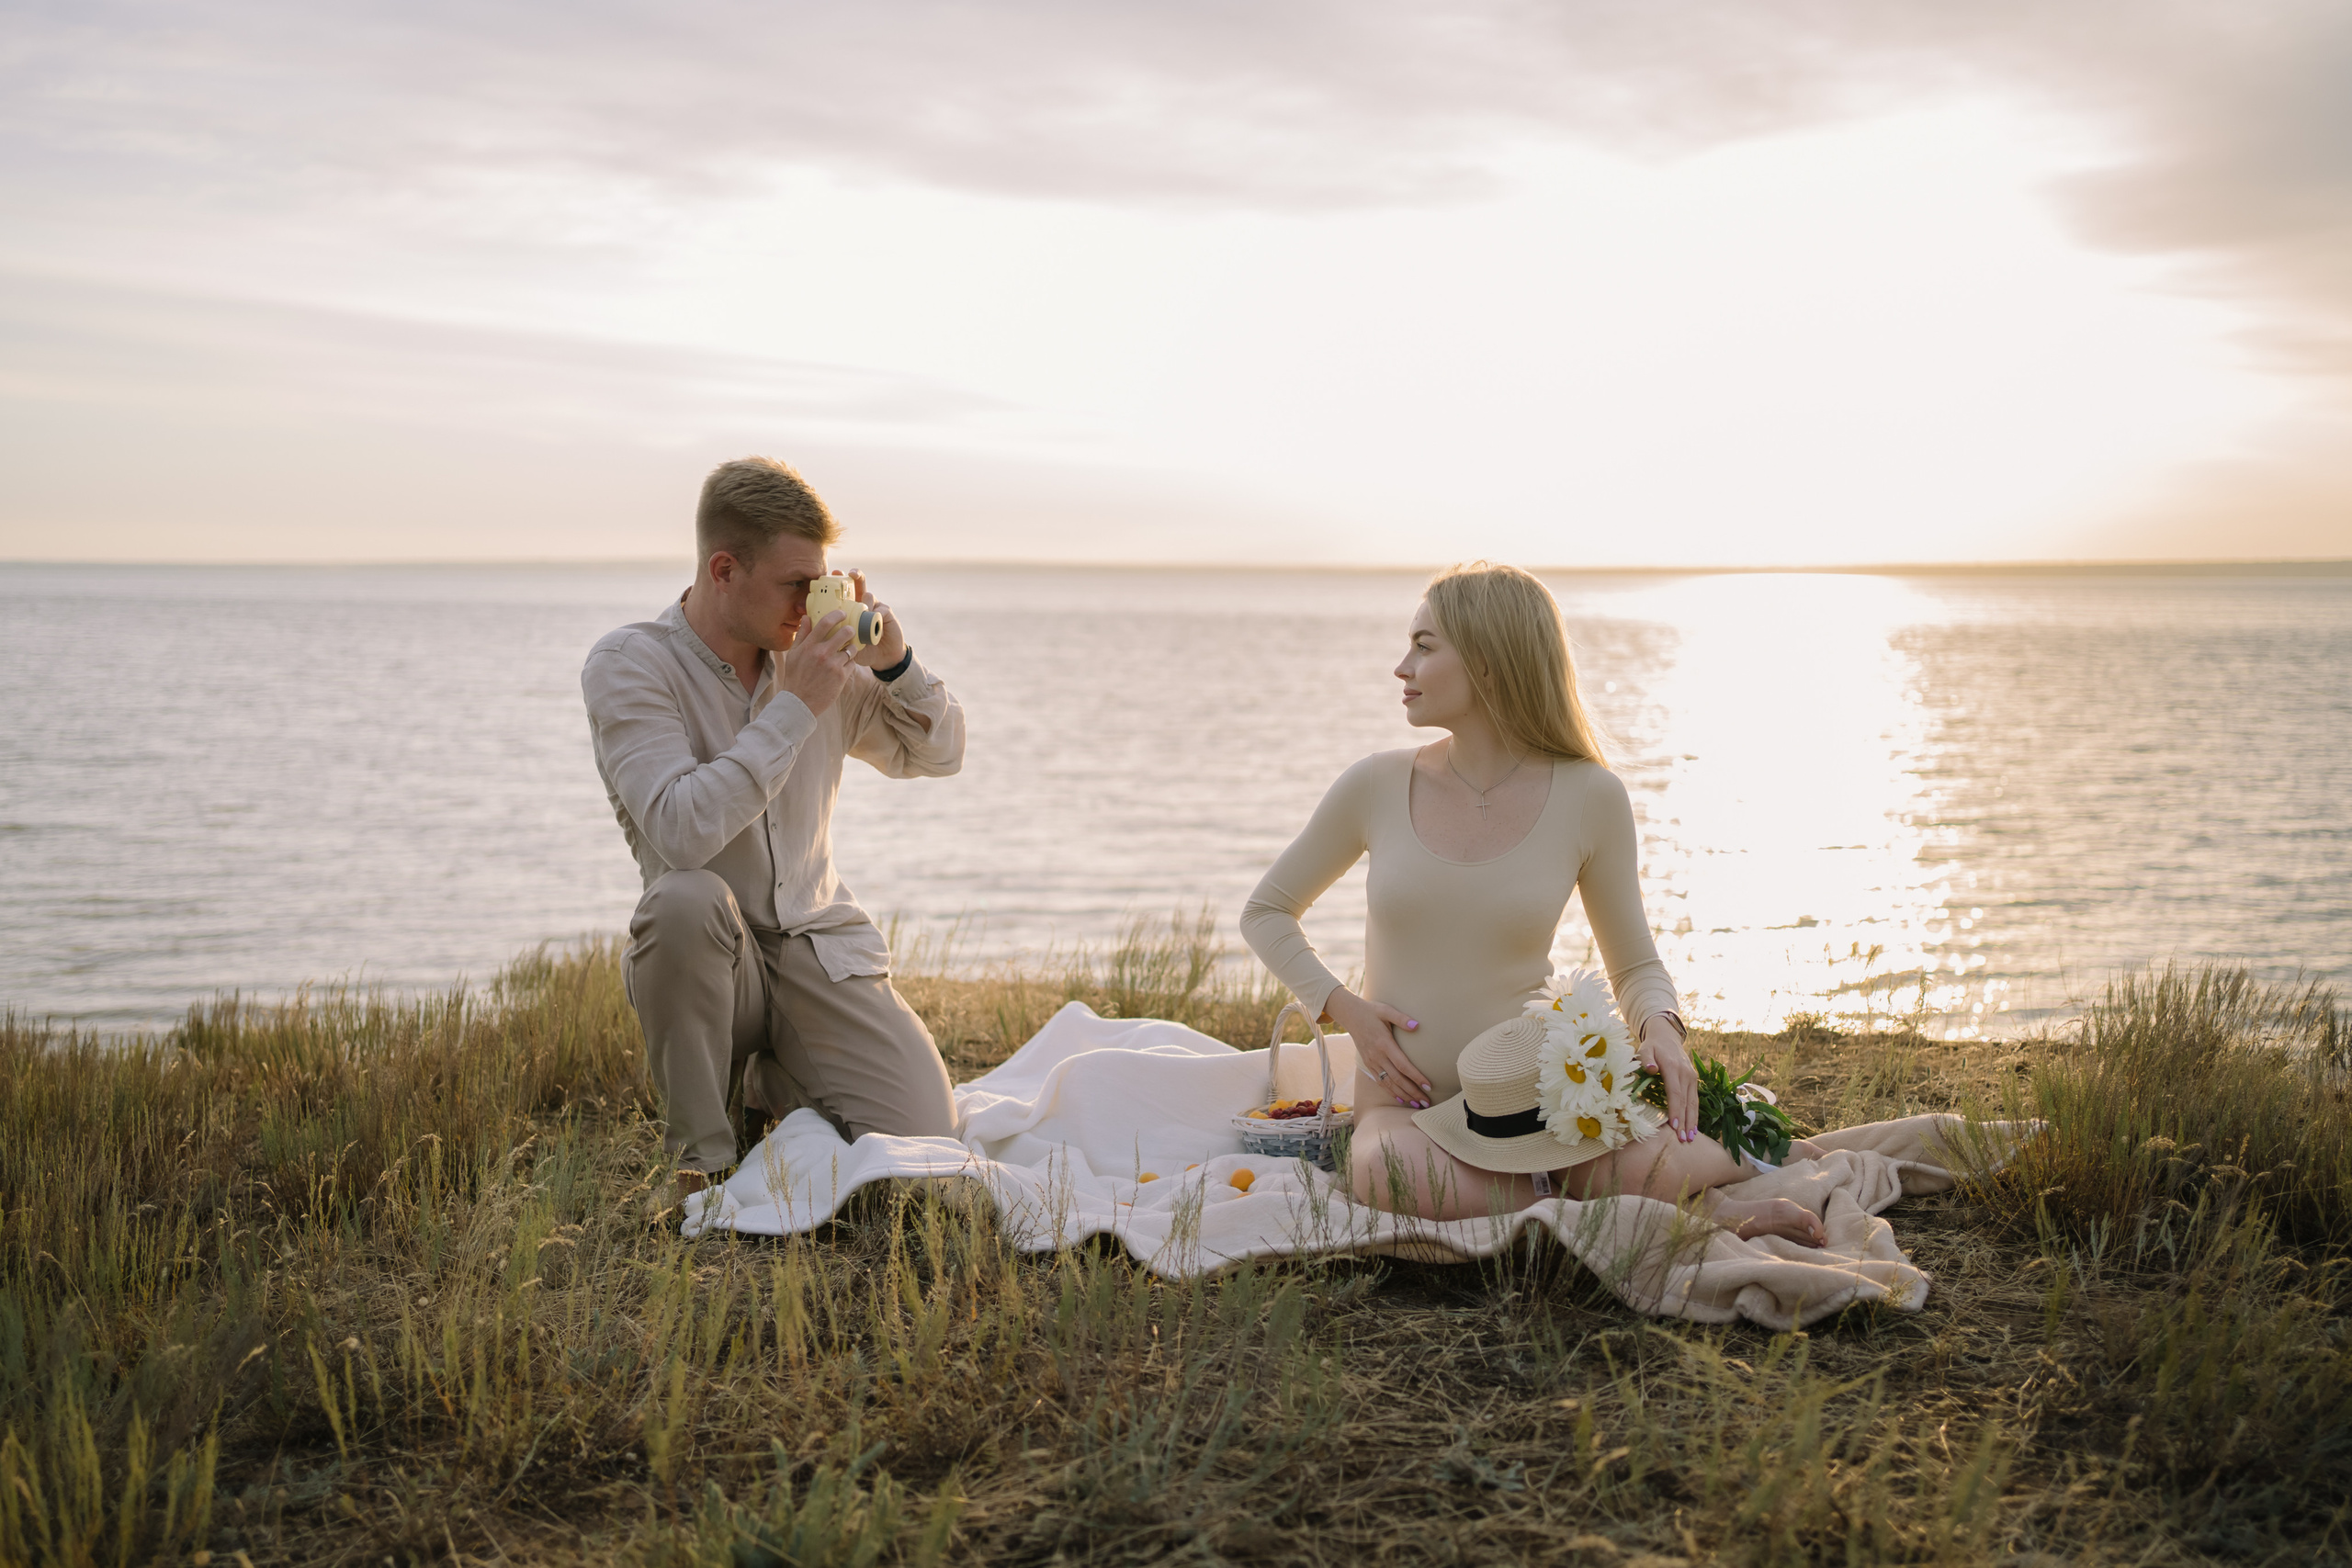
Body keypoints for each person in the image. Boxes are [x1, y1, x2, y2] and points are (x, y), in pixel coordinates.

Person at [1240, 561, 1825, 1244]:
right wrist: (1346, 1009)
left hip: (1536, 1103)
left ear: (1489, 663)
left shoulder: (1590, 796)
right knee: (1385, 1175)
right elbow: (1267, 911)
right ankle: (1665, 1207)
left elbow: (1634, 965)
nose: (1402, 666)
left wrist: (1661, 1030)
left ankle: (1652, 1184)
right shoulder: (1375, 783)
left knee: (1641, 1160)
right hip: (1407, 1106)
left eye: (1424, 646)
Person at [582, 457, 965, 1218]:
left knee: (930, 1156)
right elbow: (681, 829)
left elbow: (940, 753)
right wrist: (792, 710)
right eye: (796, 583)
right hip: (711, 961)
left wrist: (894, 661)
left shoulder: (816, 657)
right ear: (724, 570)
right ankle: (702, 1160)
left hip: (818, 949)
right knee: (682, 901)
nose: (811, 601)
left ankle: (773, 1082)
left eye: (819, 579)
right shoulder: (631, 665)